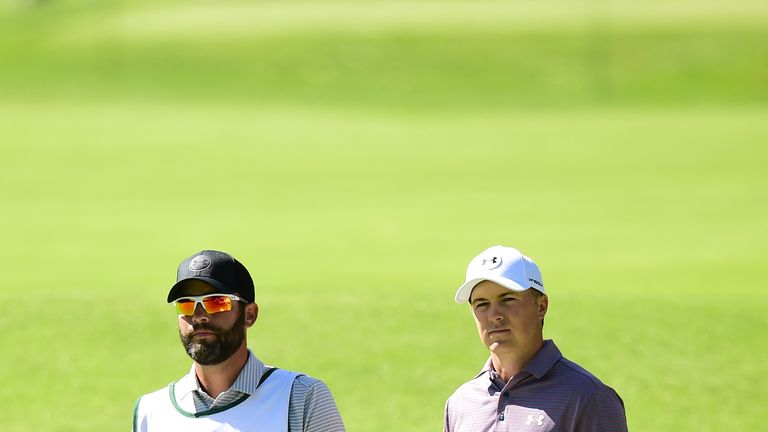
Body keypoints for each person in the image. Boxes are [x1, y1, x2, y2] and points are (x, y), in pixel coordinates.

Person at [133, 250, 345, 432]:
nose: (199, 315)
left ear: (249, 314)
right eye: (186, 304)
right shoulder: (152, 411)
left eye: (216, 302)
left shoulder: (301, 397)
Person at [444, 245, 627, 432]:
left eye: (508, 299)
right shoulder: (460, 404)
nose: (494, 315)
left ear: (541, 306)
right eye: (482, 304)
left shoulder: (588, 397)